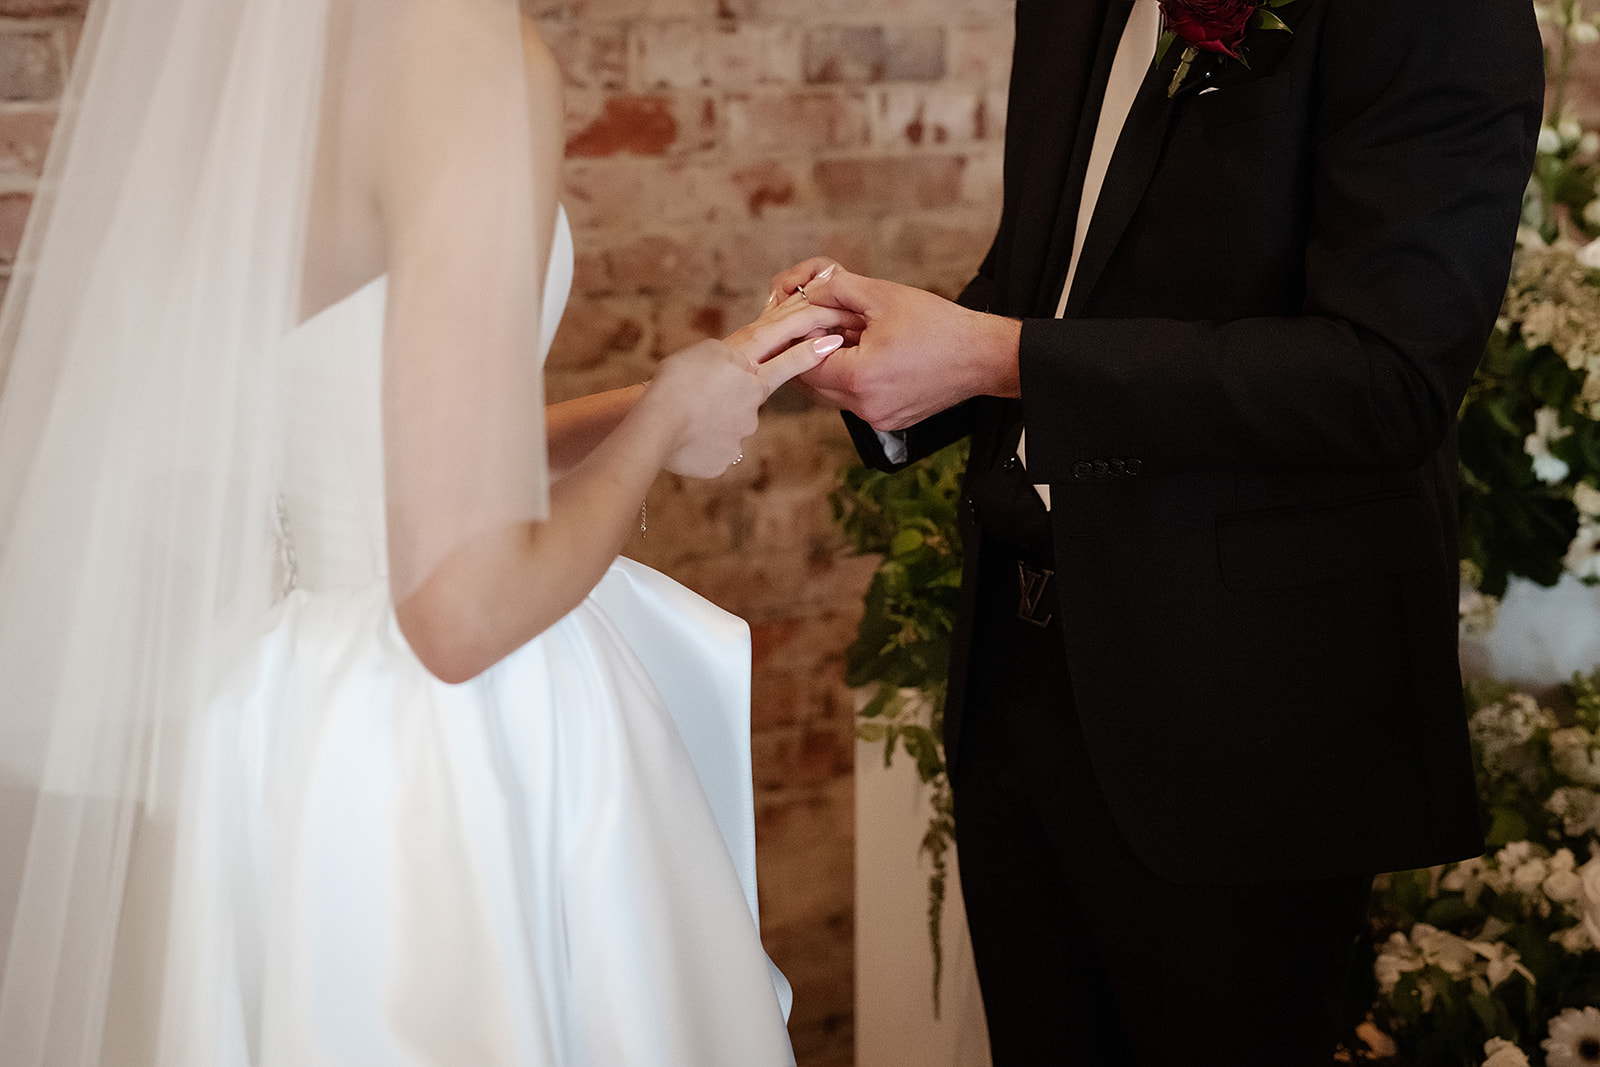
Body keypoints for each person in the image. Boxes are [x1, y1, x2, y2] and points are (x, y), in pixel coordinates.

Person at [0, 0, 853, 1063]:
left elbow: (383, 442)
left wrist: (656, 401)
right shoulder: (461, 46)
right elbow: (461, 614)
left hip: (268, 719)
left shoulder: (240, 54)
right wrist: (667, 421)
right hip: (436, 763)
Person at [775, 0, 1544, 1062]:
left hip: (1243, 715)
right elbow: (1047, 282)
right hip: (1015, 678)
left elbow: (1386, 380)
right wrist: (890, 352)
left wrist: (995, 356)